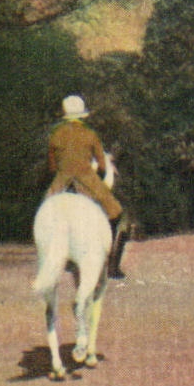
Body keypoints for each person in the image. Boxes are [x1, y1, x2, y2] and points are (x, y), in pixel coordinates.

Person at [47, 95, 129, 278]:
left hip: (61, 181)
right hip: (86, 179)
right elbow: (101, 166)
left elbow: (52, 167)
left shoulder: (55, 135)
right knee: (117, 215)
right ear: (83, 115)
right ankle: (112, 266)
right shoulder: (90, 135)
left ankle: (64, 257)